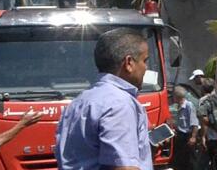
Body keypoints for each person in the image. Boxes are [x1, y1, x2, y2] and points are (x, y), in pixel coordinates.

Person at [56, 28, 153, 170]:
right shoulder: (119, 103)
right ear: (129, 63)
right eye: (145, 61)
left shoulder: (78, 102)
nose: (146, 68)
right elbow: (123, 167)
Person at [169, 86, 199, 170]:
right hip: (180, 135)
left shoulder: (189, 106)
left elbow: (194, 123)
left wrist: (193, 137)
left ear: (176, 96)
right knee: (180, 160)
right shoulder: (177, 106)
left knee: (190, 160)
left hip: (188, 136)